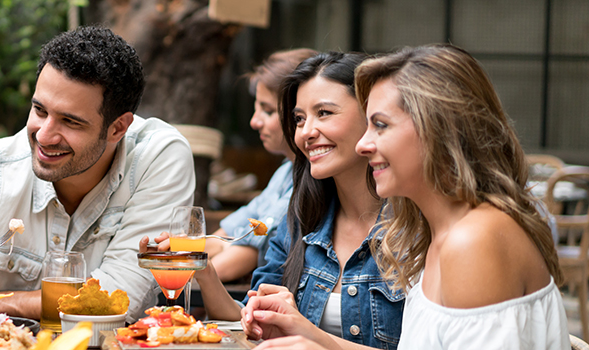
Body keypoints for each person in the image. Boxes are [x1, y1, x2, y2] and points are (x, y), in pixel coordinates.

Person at [243, 44, 569, 350]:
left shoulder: (474, 240)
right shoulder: (440, 229)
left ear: (437, 130)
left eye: (380, 125)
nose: (363, 145)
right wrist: (314, 338)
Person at [0, 26, 195, 322]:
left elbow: (118, 299)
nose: (44, 136)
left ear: (118, 128)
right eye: (40, 110)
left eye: (70, 121)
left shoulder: (158, 156)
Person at [144, 52, 405, 349]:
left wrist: (313, 338)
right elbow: (249, 318)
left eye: (324, 113)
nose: (306, 132)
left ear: (371, 118)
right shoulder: (301, 219)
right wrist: (202, 268)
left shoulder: (414, 229)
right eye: (299, 119)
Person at [205, 48, 317, 282]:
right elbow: (240, 224)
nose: (254, 122)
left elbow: (246, 252)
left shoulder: (315, 180)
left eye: (267, 111)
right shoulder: (285, 171)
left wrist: (182, 266)